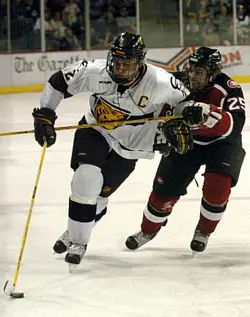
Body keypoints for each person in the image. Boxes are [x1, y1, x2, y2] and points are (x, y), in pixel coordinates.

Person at [33, 32, 198, 266]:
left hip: (132, 145)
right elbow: (58, 81)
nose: (121, 69)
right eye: (117, 62)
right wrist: (45, 115)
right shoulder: (94, 71)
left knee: (99, 196)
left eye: (127, 64)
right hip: (95, 130)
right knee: (85, 180)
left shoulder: (159, 82)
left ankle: (77, 227)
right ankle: (79, 241)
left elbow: (185, 101)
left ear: (140, 63)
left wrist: (179, 121)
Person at [125, 46, 246, 253]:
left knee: (218, 187)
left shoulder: (228, 88)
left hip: (222, 143)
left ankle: (204, 230)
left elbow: (236, 124)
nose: (192, 76)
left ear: (213, 73)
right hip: (187, 141)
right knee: (164, 190)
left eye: (199, 72)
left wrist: (210, 114)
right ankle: (148, 230)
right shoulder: (176, 82)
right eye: (191, 69)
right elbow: (154, 109)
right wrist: (161, 130)